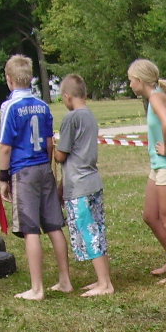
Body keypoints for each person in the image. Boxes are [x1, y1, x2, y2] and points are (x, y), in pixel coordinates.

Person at [0, 54, 73, 300]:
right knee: (54, 225)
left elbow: (5, 146)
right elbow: (50, 142)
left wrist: (3, 177)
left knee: (30, 229)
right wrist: (48, 167)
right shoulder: (43, 106)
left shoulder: (9, 107)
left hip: (24, 170)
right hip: (43, 166)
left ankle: (37, 288)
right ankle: (65, 279)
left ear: (9, 79)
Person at [53, 73, 114, 296]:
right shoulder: (90, 115)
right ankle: (103, 278)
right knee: (98, 229)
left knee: (89, 233)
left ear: (67, 96)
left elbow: (61, 155)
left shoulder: (71, 118)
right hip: (92, 180)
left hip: (79, 185)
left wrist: (53, 147)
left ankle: (105, 284)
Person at [130, 58, 166, 284]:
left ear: (140, 80)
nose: (130, 85)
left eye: (131, 80)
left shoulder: (155, 98)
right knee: (150, 216)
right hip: (158, 166)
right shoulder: (154, 96)